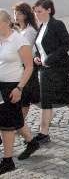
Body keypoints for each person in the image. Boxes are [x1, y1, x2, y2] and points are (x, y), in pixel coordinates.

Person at [33, 0, 69, 143]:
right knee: (45, 100)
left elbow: (66, 44)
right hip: (45, 70)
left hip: (59, 69)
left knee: (67, 96)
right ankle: (44, 133)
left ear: (49, 10)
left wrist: (49, 59)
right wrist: (37, 57)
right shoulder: (41, 26)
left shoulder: (57, 24)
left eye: (39, 11)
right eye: (35, 12)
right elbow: (40, 47)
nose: (37, 14)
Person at [0, 10, 39, 174]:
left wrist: (19, 88)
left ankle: (8, 161)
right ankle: (32, 142)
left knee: (7, 125)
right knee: (14, 118)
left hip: (13, 86)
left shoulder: (19, 40)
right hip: (0, 85)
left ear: (7, 23)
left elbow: (29, 67)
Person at [12, 2, 40, 118]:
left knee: (27, 96)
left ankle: (20, 122)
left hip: (28, 66)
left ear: (25, 15)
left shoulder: (29, 31)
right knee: (28, 95)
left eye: (19, 14)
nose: (16, 16)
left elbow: (25, 51)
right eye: (15, 13)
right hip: (20, 65)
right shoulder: (18, 29)